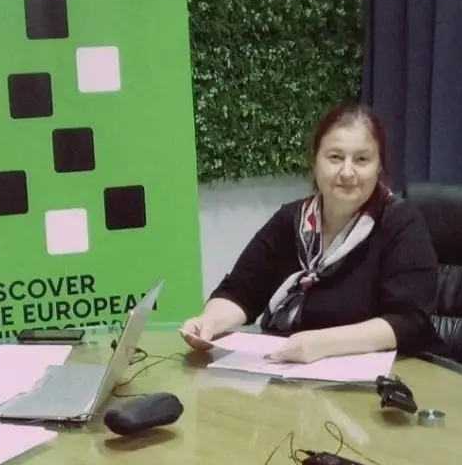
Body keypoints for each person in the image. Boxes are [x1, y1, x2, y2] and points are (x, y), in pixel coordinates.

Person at [182, 103, 441, 362]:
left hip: (391, 372)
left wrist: (322, 344)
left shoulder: (400, 223)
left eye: (362, 160)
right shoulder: (290, 220)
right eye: (335, 158)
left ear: (378, 167)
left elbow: (408, 321)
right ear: (315, 161)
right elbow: (239, 293)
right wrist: (208, 323)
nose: (347, 172)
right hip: (293, 371)